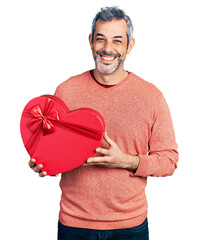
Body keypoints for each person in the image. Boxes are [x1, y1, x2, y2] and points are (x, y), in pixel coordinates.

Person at [29, 7, 178, 240]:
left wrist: (127, 161)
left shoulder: (151, 96)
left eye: (117, 41)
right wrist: (45, 163)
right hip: (74, 224)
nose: (108, 49)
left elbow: (169, 160)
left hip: (130, 227)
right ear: (90, 42)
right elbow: (57, 152)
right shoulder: (66, 91)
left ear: (129, 46)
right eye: (101, 39)